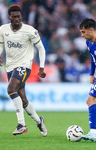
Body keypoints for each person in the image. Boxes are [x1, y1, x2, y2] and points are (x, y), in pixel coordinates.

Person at [0, 5, 47, 136]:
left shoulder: (30, 31)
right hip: (10, 66)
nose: (16, 19)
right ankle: (39, 121)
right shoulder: (3, 29)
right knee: (23, 100)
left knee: (10, 89)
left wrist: (41, 67)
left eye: (18, 16)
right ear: (9, 17)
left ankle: (21, 124)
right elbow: (1, 44)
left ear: (21, 17)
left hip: (24, 66)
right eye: (14, 16)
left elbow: (41, 49)